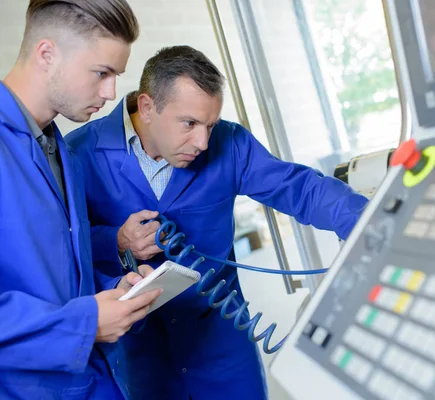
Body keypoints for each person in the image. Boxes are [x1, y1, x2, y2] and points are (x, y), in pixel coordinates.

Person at [67, 45, 369, 399]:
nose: (203, 142)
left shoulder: (229, 142)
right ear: (147, 107)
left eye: (210, 124)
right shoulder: (79, 153)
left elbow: (300, 189)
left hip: (221, 341)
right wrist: (116, 241)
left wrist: (372, 223)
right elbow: (61, 243)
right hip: (140, 353)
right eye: (190, 124)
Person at [0, 1, 162, 398]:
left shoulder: (60, 150)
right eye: (101, 73)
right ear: (47, 53)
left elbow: (56, 280)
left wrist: (113, 293)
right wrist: (87, 323)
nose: (110, 93)